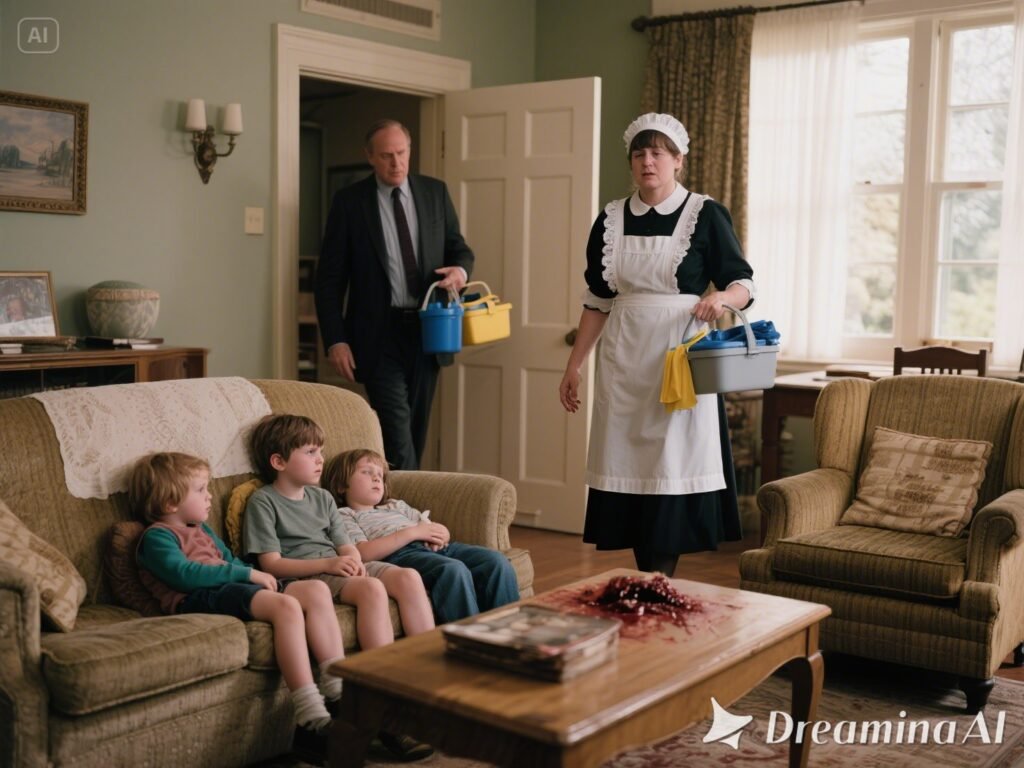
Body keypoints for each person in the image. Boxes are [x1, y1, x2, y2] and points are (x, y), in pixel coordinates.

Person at [558, 113, 756, 578]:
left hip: (680, 357)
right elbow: (598, 301)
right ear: (631, 161)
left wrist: (721, 298)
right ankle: (651, 580)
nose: (648, 161)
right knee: (631, 472)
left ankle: (658, 581)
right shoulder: (610, 219)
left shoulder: (705, 214)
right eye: (639, 153)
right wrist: (574, 366)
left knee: (671, 469)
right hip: (624, 360)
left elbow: (743, 283)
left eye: (658, 153)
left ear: (678, 160)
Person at [241, 414, 434, 762]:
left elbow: (345, 545)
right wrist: (331, 564)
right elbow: (271, 564)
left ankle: (427, 679)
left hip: (336, 566)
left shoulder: (324, 499)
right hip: (305, 574)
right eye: (311, 452)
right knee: (372, 590)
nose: (321, 459)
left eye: (321, 451)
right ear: (279, 462)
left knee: (407, 577)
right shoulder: (263, 501)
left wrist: (351, 559)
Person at [130, 452, 343, 764]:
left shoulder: (202, 529)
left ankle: (337, 691)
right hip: (198, 597)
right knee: (285, 607)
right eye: (201, 490)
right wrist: (248, 575)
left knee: (316, 590)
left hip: (231, 588)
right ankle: (309, 716)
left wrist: (256, 574)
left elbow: (229, 559)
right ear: (170, 503)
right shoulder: (157, 537)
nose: (209, 496)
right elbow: (184, 575)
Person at [315, 119, 475, 471]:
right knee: (397, 432)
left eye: (402, 153)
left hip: (429, 330)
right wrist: (336, 340)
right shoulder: (350, 203)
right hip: (377, 335)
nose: (396, 162)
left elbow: (459, 249)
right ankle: (410, 502)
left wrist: (460, 272)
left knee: (415, 429)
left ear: (409, 150)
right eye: (387, 155)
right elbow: (329, 280)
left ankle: (397, 498)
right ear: (370, 157)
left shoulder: (434, 193)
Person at [321, 448, 520, 623]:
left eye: (380, 475)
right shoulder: (344, 515)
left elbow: (430, 526)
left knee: (496, 561)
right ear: (341, 486)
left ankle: (509, 632)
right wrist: (413, 533)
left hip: (438, 548)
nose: (376, 478)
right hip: (400, 556)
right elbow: (363, 553)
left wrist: (440, 535)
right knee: (452, 570)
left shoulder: (395, 505)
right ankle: (470, 640)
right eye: (366, 472)